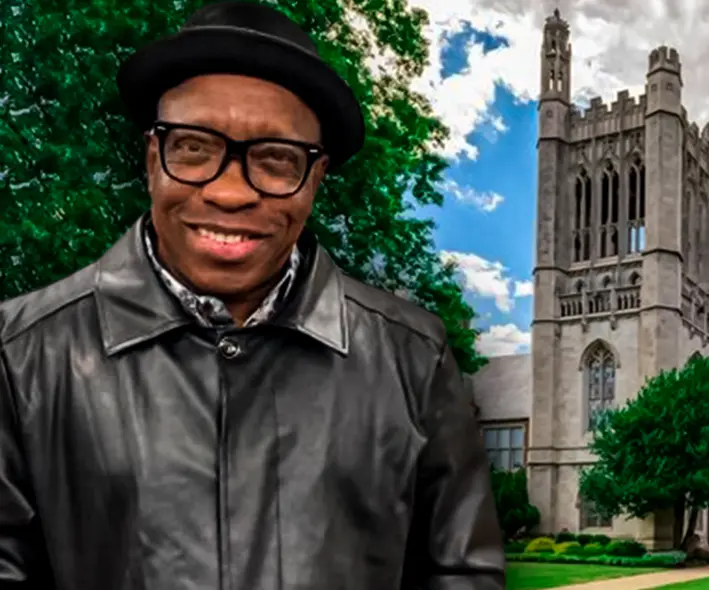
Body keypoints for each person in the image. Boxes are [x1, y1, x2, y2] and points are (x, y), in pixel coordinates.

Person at [0, 2, 504, 588]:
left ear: (314, 180)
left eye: (274, 160)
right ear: (151, 159)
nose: (231, 191)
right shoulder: (21, 353)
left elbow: (460, 573)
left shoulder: (414, 356)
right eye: (193, 148)